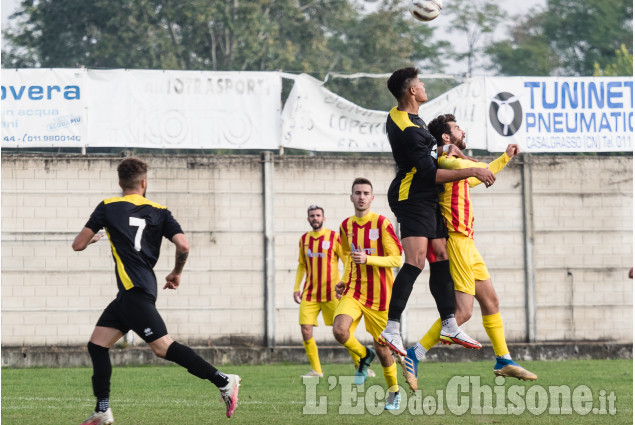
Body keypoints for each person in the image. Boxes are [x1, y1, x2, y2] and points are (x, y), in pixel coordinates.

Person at [72, 158, 241, 424]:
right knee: (97, 345)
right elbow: (184, 245)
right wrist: (176, 273)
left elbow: (77, 245)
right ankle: (102, 409)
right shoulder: (160, 211)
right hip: (133, 293)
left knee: (163, 348)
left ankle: (224, 380)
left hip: (135, 292)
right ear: (144, 183)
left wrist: (93, 239)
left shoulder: (107, 207)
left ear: (119, 183)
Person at [399, 114, 537, 392]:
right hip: (457, 244)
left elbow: (481, 174)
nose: (463, 130)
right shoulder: (446, 161)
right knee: (462, 313)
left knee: (491, 301)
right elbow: (466, 167)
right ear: (447, 137)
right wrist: (470, 162)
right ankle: (414, 355)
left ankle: (503, 360)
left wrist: (504, 158)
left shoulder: (458, 167)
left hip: (468, 244)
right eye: (457, 128)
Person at [379, 66, 497, 357]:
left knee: (440, 254)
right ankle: (391, 328)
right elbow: (430, 174)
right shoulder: (408, 128)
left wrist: (451, 152)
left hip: (427, 198)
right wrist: (471, 169)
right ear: (412, 91)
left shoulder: (412, 120)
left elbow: (432, 156)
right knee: (416, 260)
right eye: (420, 83)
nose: (424, 85)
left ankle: (448, 323)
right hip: (412, 197)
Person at [332, 178, 404, 410]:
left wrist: (369, 259)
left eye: (365, 193)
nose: (361, 197)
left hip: (381, 296)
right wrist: (343, 280)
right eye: (357, 193)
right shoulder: (345, 226)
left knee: (383, 349)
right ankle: (364, 356)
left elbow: (397, 258)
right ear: (351, 197)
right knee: (339, 330)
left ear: (372, 198)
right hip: (354, 291)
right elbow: (347, 256)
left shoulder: (382, 224)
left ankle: (394, 391)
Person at [294, 204, 372, 377]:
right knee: (305, 329)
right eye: (312, 216)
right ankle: (316, 370)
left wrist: (347, 284)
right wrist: (296, 287)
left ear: (324, 218)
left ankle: (361, 366)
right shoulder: (304, 239)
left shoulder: (334, 237)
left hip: (332, 293)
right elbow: (301, 265)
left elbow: (346, 261)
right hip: (309, 294)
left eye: (318, 215)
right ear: (308, 219)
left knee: (344, 331)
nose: (315, 218)